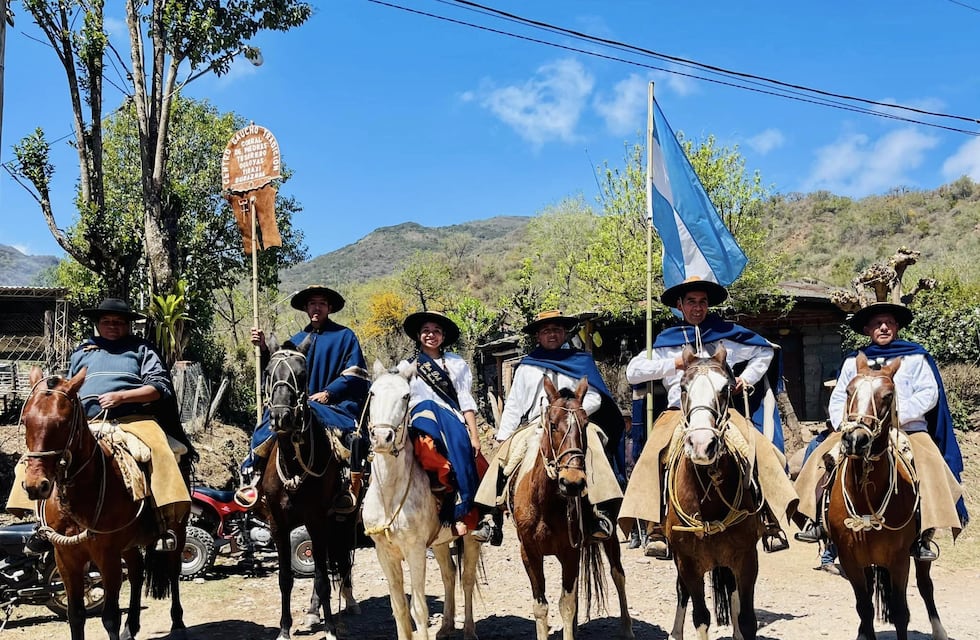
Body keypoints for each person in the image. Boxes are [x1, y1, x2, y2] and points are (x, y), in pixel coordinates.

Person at [619, 276, 798, 558]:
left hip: (722, 414)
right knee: (652, 454)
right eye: (691, 302)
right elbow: (633, 372)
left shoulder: (725, 335)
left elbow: (765, 351)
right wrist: (674, 364)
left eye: (703, 302)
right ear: (679, 305)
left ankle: (769, 518)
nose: (697, 307)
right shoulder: (667, 342)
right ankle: (655, 526)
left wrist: (744, 379)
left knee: (759, 449)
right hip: (679, 413)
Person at [7, 298, 196, 552]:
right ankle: (38, 523)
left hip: (133, 421)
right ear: (97, 324)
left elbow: (159, 388)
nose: (112, 326)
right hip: (87, 424)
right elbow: (69, 388)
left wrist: (122, 397)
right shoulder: (83, 351)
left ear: (128, 325)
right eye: (106, 322)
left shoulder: (142, 349)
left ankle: (163, 522)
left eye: (118, 322)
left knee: (160, 452)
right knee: (35, 457)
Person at [793, 302, 967, 561]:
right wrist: (845, 423)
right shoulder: (854, 360)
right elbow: (841, 395)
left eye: (888, 323)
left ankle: (924, 532)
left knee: (929, 463)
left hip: (907, 428)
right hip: (857, 428)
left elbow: (929, 394)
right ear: (867, 329)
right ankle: (817, 519)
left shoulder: (916, 357)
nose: (883, 327)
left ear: (897, 327)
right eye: (877, 324)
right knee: (820, 456)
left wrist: (893, 417)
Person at [473, 310, 625, 544]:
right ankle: (491, 516)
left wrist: (573, 413)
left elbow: (595, 397)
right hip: (536, 423)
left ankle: (601, 512)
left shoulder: (581, 361)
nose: (552, 334)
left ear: (564, 333)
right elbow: (515, 402)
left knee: (594, 446)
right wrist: (504, 435)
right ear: (538, 336)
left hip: (574, 423)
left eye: (556, 330)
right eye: (546, 331)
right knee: (506, 457)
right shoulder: (527, 365)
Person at [236, 285, 370, 513]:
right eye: (312, 304)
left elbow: (355, 373)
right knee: (266, 427)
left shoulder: (345, 336)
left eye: (321, 303)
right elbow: (280, 371)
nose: (316, 308)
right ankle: (254, 477)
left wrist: (329, 393)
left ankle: (350, 486)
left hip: (335, 406)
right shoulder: (296, 340)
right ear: (306, 308)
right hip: (301, 405)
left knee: (351, 439)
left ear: (329, 308)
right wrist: (264, 349)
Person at [397, 311, 486, 538]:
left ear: (443, 336)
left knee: (469, 457)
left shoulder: (456, 363)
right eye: (426, 330)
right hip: (419, 423)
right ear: (418, 335)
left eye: (436, 331)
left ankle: (469, 514)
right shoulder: (406, 366)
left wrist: (474, 435)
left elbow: (465, 400)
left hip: (452, 422)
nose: (431, 335)